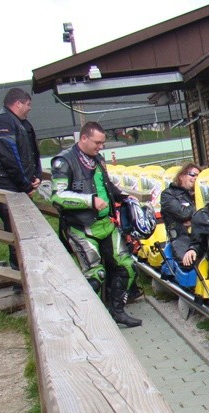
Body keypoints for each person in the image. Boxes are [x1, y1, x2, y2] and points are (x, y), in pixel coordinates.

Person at [51, 122, 141, 328]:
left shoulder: (98, 159)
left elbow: (106, 186)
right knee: (95, 275)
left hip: (106, 223)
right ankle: (88, 320)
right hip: (80, 226)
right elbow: (57, 197)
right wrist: (89, 201)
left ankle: (117, 311)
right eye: (98, 142)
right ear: (84, 138)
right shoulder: (64, 161)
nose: (101, 147)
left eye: (103, 143)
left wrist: (124, 196)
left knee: (127, 266)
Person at [0, 87, 42, 273]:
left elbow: (32, 152)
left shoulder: (22, 123)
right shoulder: (3, 121)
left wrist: (36, 175)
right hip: (2, 184)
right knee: (17, 227)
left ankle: (28, 268)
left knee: (23, 227)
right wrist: (25, 184)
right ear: (18, 103)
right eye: (28, 104)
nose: (30, 108)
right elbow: (9, 156)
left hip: (17, 184)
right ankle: (20, 272)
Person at [160, 162, 201, 266]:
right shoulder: (168, 194)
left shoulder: (200, 194)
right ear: (181, 176)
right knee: (189, 263)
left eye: (198, 176)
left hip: (202, 235)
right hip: (181, 238)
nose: (196, 178)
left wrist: (192, 219)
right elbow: (182, 213)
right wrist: (198, 208)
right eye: (192, 174)